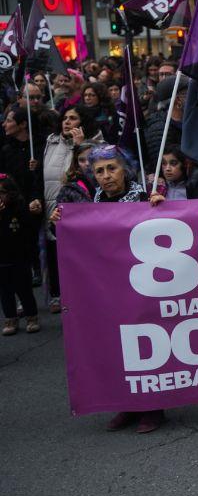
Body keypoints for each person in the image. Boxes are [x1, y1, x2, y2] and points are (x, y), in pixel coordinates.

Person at [53, 145, 164, 432]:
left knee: (145, 345)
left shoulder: (144, 198)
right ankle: (127, 404)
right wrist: (59, 224)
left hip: (142, 288)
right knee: (117, 346)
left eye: (111, 168)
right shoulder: (92, 205)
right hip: (109, 290)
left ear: (124, 170)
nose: (106, 176)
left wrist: (162, 207)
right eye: (99, 171)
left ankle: (153, 407)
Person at [45, 142, 97, 313]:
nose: (87, 164)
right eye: (81, 160)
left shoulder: (111, 185)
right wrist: (55, 222)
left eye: (90, 158)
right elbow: (58, 230)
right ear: (75, 163)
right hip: (83, 254)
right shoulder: (68, 189)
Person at [0, 173, 42, 336]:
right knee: (5, 291)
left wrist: (35, 213)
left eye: (2, 193)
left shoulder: (20, 208)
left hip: (20, 257)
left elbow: (30, 230)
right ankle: (10, 318)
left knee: (24, 289)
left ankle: (32, 316)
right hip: (2, 259)